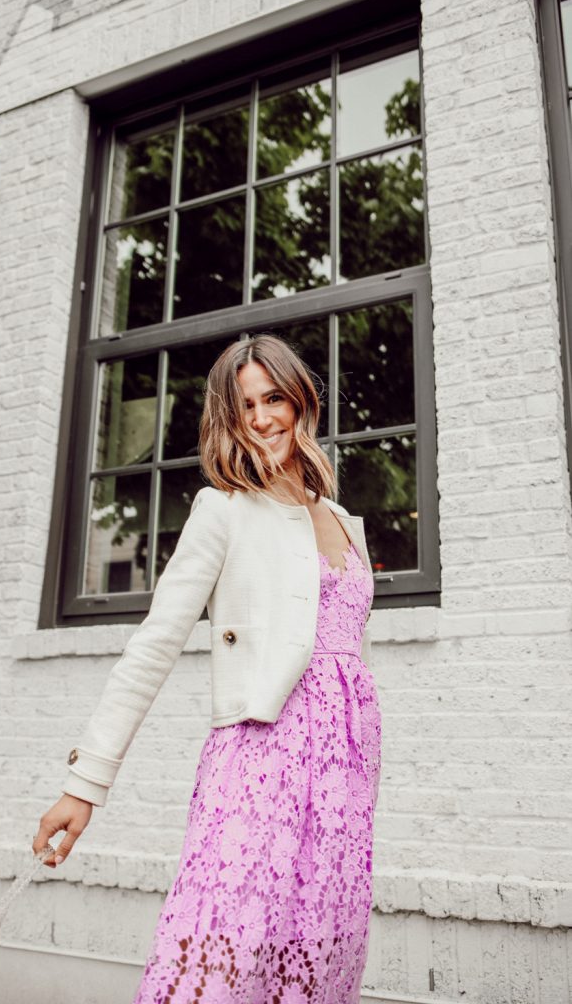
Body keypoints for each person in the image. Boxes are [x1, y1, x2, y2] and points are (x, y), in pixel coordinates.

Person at [33, 332, 382, 1002]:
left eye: (272, 398)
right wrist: (85, 784)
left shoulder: (343, 521)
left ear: (300, 400)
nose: (260, 419)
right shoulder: (222, 511)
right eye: (243, 406)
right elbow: (153, 645)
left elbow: (351, 662)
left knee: (316, 960)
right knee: (218, 961)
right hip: (260, 763)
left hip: (344, 781)